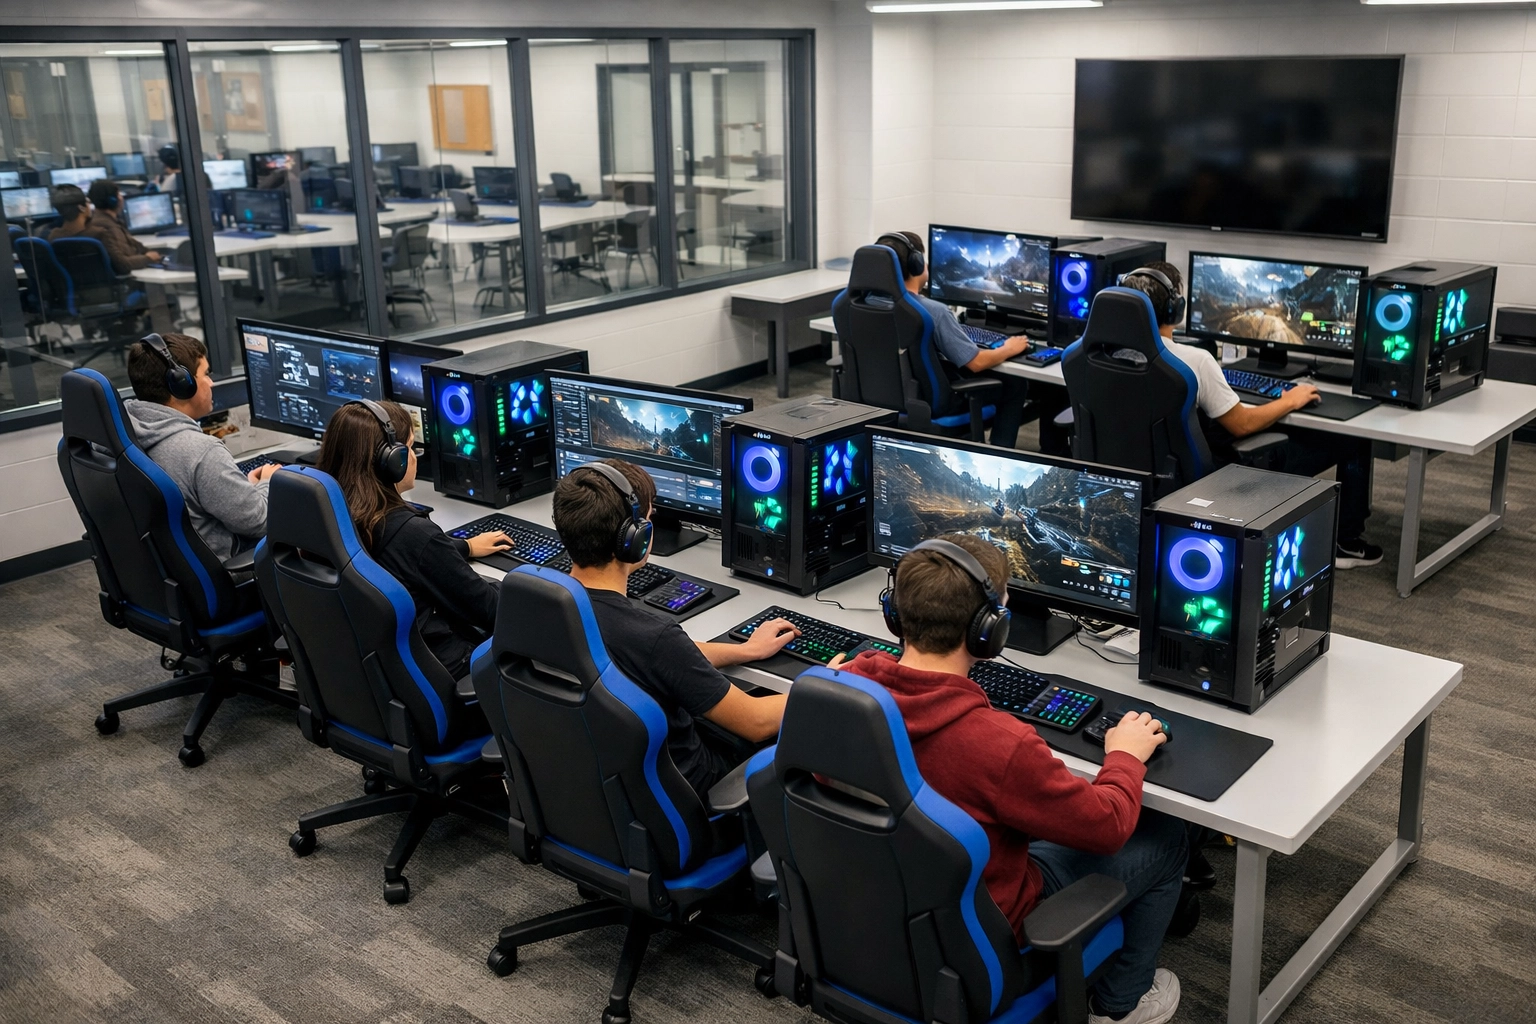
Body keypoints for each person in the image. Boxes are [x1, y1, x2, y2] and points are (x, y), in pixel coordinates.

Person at [834, 534, 1184, 1024]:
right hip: (984, 941)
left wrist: (842, 676)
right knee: (1164, 834)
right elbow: (1108, 827)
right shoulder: (998, 743)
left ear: (895, 614)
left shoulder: (841, 693)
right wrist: (1124, 756)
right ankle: (1121, 1005)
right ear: (990, 630)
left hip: (865, 915)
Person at [551, 459, 801, 801]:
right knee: (799, 724)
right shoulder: (652, 636)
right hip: (691, 797)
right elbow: (755, 721)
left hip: (598, 790)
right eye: (648, 520)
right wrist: (822, 687)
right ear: (634, 538)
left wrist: (745, 651)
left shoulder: (550, 608)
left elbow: (662, 656)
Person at [1120, 261, 1381, 568]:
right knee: (1354, 439)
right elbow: (1241, 424)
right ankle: (1346, 544)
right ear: (1176, 310)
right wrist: (1290, 400)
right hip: (1211, 476)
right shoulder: (1194, 361)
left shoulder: (1099, 351)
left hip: (1129, 472)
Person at [316, 400, 514, 680]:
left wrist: (464, 546)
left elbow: (405, 556)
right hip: (446, 669)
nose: (414, 457)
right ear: (391, 461)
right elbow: (492, 613)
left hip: (373, 673)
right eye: (410, 447)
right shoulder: (413, 536)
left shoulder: (331, 515)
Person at [123, 333, 276, 559]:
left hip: (170, 570)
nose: (211, 382)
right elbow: (259, 522)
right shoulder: (201, 452)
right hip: (225, 569)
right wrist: (267, 483)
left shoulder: (128, 432)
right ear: (182, 385)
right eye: (205, 374)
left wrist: (245, 487)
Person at [879, 230, 1035, 449]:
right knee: (1016, 384)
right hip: (934, 404)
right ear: (917, 265)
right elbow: (976, 362)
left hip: (883, 399)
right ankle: (999, 453)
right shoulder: (933, 311)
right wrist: (1010, 347)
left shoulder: (861, 306)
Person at [84, 178, 162, 273]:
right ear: (113, 200)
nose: (121, 197)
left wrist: (152, 253)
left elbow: (135, 245)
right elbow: (122, 264)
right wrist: (147, 258)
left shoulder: (112, 222)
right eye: (118, 194)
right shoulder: (104, 228)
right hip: (127, 279)